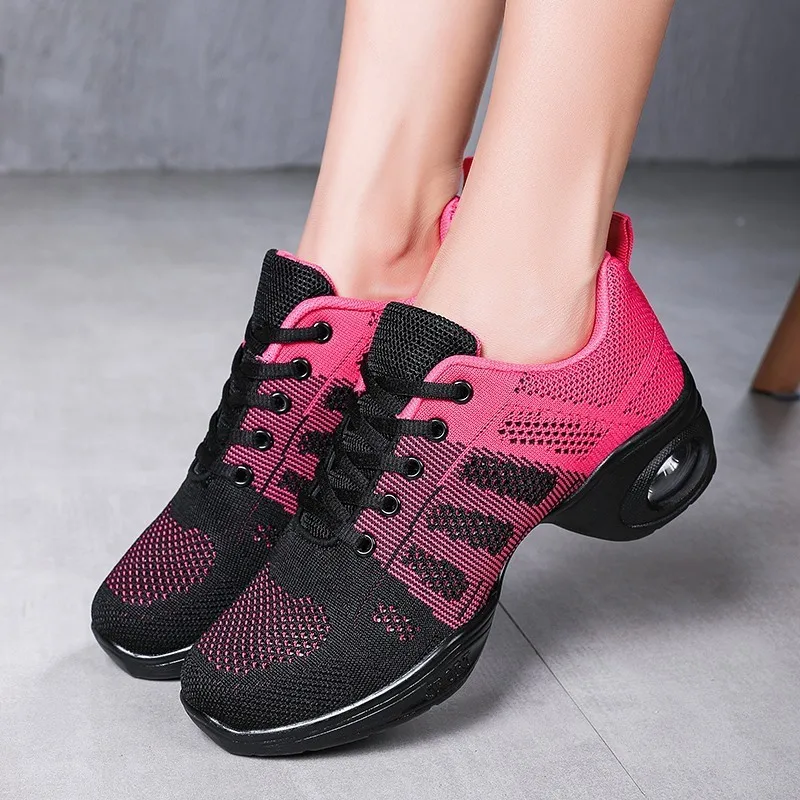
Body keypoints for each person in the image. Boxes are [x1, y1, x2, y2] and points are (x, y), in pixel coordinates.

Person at [92, 0, 716, 755]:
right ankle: (387, 245)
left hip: (549, 331)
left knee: (523, 252)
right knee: (373, 219)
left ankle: (533, 282)